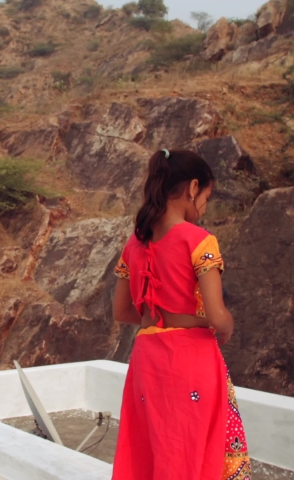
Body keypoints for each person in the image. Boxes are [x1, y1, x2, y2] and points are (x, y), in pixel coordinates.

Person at [111, 149, 251, 480]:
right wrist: (222, 324)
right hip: (190, 361)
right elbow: (218, 316)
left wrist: (159, 319)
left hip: (147, 363)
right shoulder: (199, 240)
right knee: (190, 455)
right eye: (206, 195)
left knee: (153, 453)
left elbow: (122, 312)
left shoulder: (134, 244)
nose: (204, 205)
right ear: (192, 188)